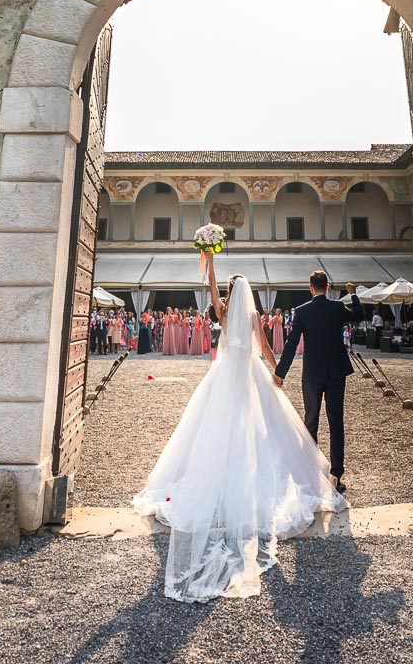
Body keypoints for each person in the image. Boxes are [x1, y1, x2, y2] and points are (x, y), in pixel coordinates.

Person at [132, 250, 344, 603]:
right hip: (250, 377)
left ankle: (219, 485)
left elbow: (213, 292)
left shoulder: (224, 313)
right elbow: (264, 346)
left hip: (224, 377)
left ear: (230, 293)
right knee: (264, 433)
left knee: (212, 431)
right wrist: (276, 374)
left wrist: (210, 263)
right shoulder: (253, 316)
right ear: (249, 294)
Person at [273, 270, 367, 493]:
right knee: (336, 423)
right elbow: (358, 314)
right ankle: (336, 475)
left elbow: (291, 343)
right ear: (327, 287)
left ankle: (311, 473)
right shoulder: (336, 308)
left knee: (311, 422)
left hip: (313, 373)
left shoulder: (303, 311)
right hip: (336, 371)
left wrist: (280, 372)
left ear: (311, 287)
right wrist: (352, 294)